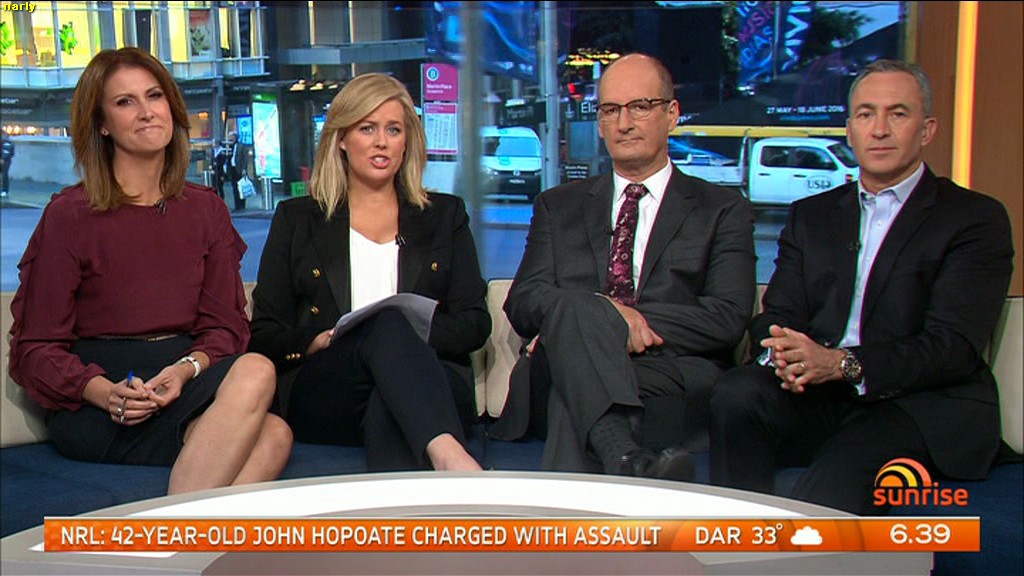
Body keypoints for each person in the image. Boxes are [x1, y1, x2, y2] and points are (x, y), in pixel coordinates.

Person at [709, 59, 1015, 514]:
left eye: (898, 113)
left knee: (835, 480)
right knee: (736, 394)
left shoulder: (973, 218)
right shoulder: (812, 215)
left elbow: (952, 347)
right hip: (818, 394)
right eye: (866, 114)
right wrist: (787, 355)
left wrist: (843, 364)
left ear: (927, 130)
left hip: (917, 403)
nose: (880, 129)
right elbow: (777, 314)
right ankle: (735, 535)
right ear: (850, 130)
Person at [7, 47, 292, 494]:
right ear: (102, 124)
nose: (146, 112)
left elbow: (224, 328)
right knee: (268, 423)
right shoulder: (70, 215)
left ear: (171, 106)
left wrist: (185, 370)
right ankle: (181, 530)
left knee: (272, 423)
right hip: (101, 399)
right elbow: (35, 348)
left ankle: (174, 531)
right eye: (125, 102)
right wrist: (103, 391)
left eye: (154, 96)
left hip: (183, 381)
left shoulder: (205, 210)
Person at [502, 53, 756, 480]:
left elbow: (726, 317)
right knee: (576, 327)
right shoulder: (557, 205)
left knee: (575, 383)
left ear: (671, 114)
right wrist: (603, 313)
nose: (623, 123)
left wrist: (606, 323)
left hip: (668, 373)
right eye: (610, 110)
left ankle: (615, 466)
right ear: (600, 123)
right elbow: (524, 301)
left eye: (640, 106)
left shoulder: (722, 209)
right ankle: (627, 462)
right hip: (558, 368)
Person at [249, 73, 490, 472]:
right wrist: (315, 341)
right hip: (331, 387)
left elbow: (474, 324)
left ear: (407, 141)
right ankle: (452, 461)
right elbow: (264, 332)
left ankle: (411, 498)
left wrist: (412, 334)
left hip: (430, 380)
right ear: (342, 138)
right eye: (367, 128)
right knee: (386, 326)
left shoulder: (445, 216)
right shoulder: (298, 219)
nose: (381, 142)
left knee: (389, 390)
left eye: (393, 130)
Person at [1, 131, 13, 197]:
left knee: (4, 174)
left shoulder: (7, 143)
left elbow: (6, 153)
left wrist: (3, 159)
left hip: (6, 161)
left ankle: (5, 190)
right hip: (3, 159)